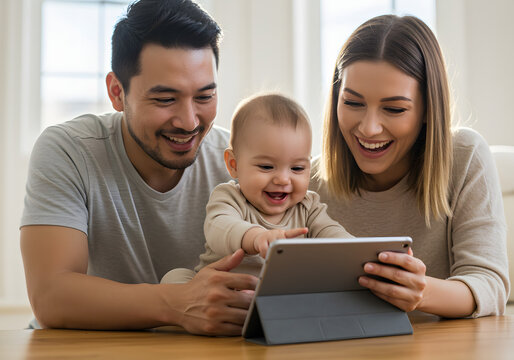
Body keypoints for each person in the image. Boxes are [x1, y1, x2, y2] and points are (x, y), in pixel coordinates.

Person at [20, 0, 258, 335]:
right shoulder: (69, 150)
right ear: (117, 92)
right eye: (165, 99)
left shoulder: (239, 162)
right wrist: (177, 303)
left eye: (204, 97)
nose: (190, 121)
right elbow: (50, 297)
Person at [310, 14, 510, 318]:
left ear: (429, 109)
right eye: (352, 103)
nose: (369, 128)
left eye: (393, 108)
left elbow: (489, 285)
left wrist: (423, 292)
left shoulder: (465, 157)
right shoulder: (307, 182)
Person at [161, 93, 353, 284]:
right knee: (175, 278)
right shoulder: (229, 197)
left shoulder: (308, 207)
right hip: (218, 293)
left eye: (297, 168)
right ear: (234, 165)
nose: (282, 179)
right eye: (266, 167)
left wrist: (356, 249)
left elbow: (331, 231)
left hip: (275, 296)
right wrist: (256, 237)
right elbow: (220, 227)